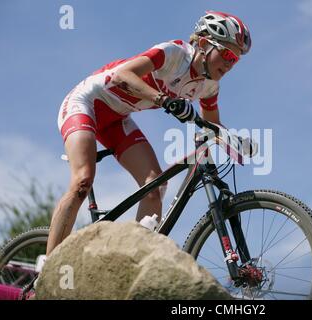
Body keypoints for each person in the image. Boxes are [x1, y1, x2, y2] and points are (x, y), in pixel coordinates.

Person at [46, 10, 252, 256]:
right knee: (82, 181)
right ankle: (48, 267)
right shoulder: (175, 53)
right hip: (86, 103)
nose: (230, 64)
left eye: (236, 60)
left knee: (154, 188)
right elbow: (123, 75)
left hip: (117, 118)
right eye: (228, 54)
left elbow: (212, 126)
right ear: (206, 44)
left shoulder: (209, 86)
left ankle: (128, 264)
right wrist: (164, 100)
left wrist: (236, 142)